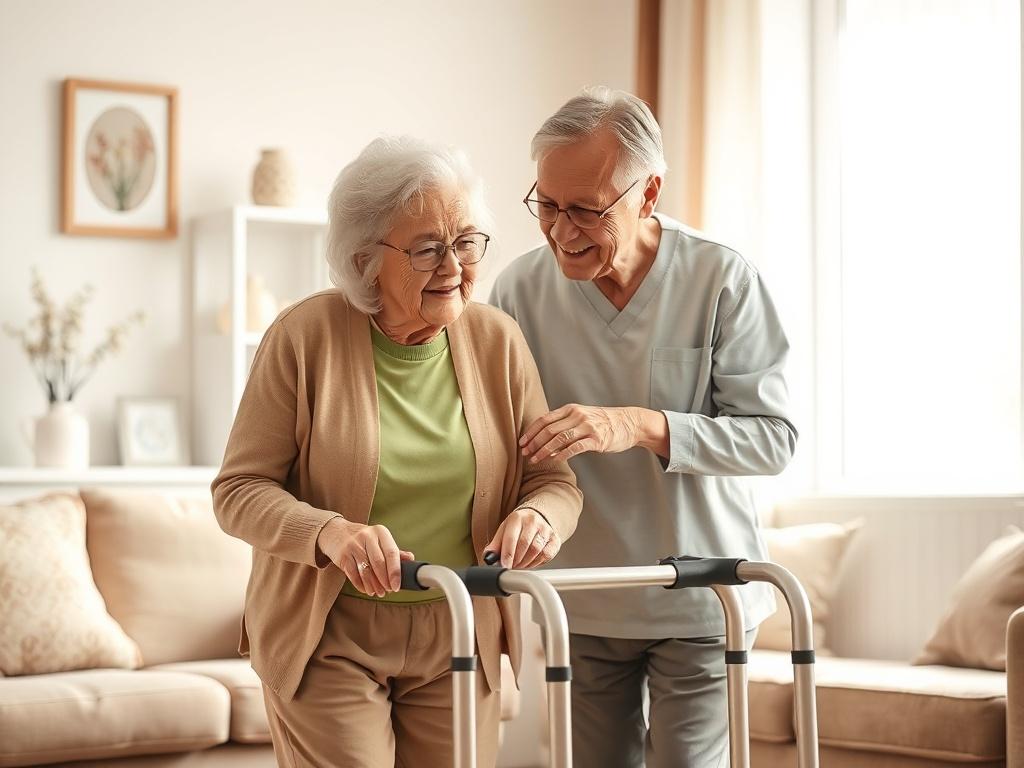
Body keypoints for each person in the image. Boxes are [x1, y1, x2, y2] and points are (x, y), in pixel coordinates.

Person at [212, 135, 582, 768]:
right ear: (364, 258)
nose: (454, 266)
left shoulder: (498, 341)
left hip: (461, 629)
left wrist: (539, 516)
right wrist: (331, 534)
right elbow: (238, 492)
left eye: (466, 242)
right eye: (427, 247)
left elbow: (554, 480)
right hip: (329, 632)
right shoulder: (304, 337)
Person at [489, 87, 797, 768]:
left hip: (700, 592)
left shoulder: (721, 278)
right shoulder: (516, 293)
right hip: (583, 598)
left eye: (587, 210)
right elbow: (497, 444)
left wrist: (642, 425)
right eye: (547, 204)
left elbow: (773, 438)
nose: (562, 231)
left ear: (648, 192)